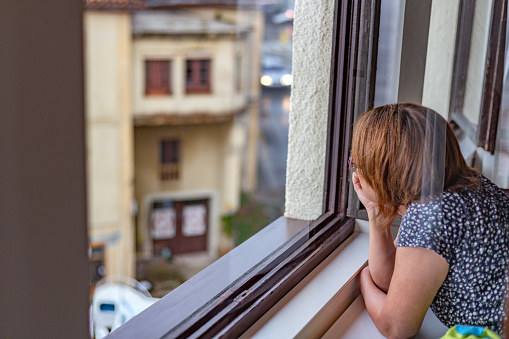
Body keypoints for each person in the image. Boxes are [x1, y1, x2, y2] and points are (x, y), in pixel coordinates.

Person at [351, 103, 509, 338]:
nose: (355, 172)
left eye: (357, 164)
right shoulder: (470, 186)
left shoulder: (428, 217)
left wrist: (363, 280)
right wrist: (375, 212)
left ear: (382, 173)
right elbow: (394, 278)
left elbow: (396, 327)